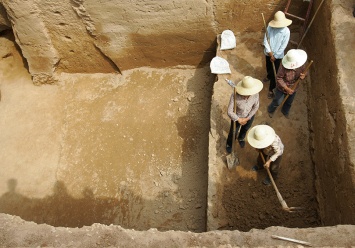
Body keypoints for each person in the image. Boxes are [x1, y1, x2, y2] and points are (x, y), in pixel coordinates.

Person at [226, 76, 263, 153]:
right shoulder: (235, 96)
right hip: (237, 117)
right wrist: (239, 119)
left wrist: (247, 118)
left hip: (249, 116)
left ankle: (241, 138)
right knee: (233, 132)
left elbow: (255, 107)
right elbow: (229, 111)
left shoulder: (255, 94)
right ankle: (229, 144)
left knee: (246, 128)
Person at [267, 49, 307, 118]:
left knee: (289, 102)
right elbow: (279, 78)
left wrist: (304, 75)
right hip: (282, 88)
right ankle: (270, 109)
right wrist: (286, 88)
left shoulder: (301, 64)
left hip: (294, 87)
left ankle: (285, 111)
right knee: (277, 101)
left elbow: (305, 71)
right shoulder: (283, 67)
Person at [263, 11, 292, 99]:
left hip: (278, 56)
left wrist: (275, 56)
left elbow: (283, 46)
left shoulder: (286, 31)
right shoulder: (269, 27)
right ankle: (268, 76)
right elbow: (265, 40)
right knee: (268, 66)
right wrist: (270, 52)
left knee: (275, 73)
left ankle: (271, 89)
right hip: (268, 53)